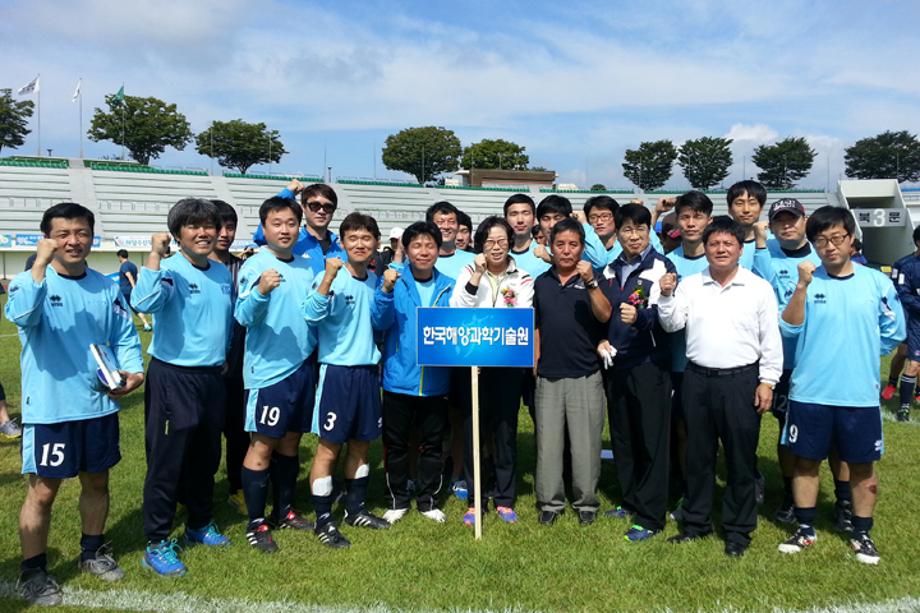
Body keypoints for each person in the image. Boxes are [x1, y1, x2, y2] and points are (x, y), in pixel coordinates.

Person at [6, 202, 145, 606]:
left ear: (91, 236)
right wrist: (38, 267)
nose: (73, 240)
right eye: (63, 234)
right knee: (43, 492)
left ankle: (93, 552)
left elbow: (124, 336)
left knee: (97, 481)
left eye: (81, 232)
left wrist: (133, 372)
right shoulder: (31, 282)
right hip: (50, 408)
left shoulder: (105, 286)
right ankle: (33, 570)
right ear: (48, 238)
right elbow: (21, 316)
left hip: (98, 404)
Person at [777, 206, 905, 565]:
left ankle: (862, 533)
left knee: (862, 466)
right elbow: (788, 329)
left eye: (837, 238)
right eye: (821, 239)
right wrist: (802, 287)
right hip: (810, 391)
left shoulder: (876, 282)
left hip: (858, 394)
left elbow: (895, 331)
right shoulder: (808, 278)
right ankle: (805, 528)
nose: (829, 246)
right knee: (806, 462)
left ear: (851, 240)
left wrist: (862, 351)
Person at [659, 216, 782, 558]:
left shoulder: (757, 287)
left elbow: (770, 339)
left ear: (740, 249)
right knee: (698, 456)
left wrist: (767, 381)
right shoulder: (690, 284)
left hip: (741, 381)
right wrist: (666, 295)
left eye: (728, 244)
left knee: (741, 458)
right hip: (697, 379)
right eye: (714, 244)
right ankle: (696, 523)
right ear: (706, 248)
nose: (721, 249)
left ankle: (738, 530)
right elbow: (671, 324)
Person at [132, 199, 233, 577]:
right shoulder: (170, 270)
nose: (204, 232)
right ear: (178, 235)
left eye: (209, 225)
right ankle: (157, 541)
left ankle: (199, 524)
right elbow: (142, 302)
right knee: (167, 460)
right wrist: (155, 257)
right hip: (174, 377)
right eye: (193, 227)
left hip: (211, 378)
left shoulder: (221, 273)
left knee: (207, 455)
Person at [303, 212, 393, 548]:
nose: (359, 244)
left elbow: (381, 324)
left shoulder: (374, 281)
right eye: (352, 238)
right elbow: (310, 316)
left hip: (368, 374)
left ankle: (355, 508)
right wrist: (326, 280)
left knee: (361, 444)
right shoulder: (330, 275)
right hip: (337, 373)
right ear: (341, 242)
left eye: (366, 238)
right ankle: (323, 519)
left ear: (375, 244)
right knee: (329, 447)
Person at [234, 197, 317, 553]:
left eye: (290, 223)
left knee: (291, 443)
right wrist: (261, 291)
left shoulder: (307, 266)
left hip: (302, 367)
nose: (284, 230)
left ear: (300, 227)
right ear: (264, 228)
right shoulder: (256, 265)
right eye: (276, 223)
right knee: (262, 444)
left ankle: (285, 509)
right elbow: (242, 316)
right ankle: (256, 522)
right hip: (268, 372)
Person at [752, 198, 836, 525]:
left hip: (813, 362)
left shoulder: (822, 257)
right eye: (780, 221)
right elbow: (764, 285)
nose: (787, 225)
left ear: (805, 220)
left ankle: (829, 497)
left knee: (804, 432)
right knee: (781, 429)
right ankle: (787, 491)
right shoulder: (764, 251)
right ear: (771, 225)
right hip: (774, 361)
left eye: (793, 219)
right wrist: (760, 245)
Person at [597, 204, 675, 541]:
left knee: (651, 440)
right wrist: (600, 339)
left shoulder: (661, 268)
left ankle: (652, 514)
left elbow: (664, 316)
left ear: (649, 231)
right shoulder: (610, 269)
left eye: (640, 229)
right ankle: (629, 500)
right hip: (616, 366)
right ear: (617, 231)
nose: (633, 235)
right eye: (627, 229)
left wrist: (640, 320)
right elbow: (601, 314)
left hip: (648, 365)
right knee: (623, 437)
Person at [450, 216, 534, 526]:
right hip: (475, 364)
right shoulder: (468, 271)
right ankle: (475, 500)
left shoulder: (523, 277)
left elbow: (522, 315)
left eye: (501, 241)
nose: (496, 247)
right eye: (489, 242)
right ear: (480, 246)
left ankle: (504, 497)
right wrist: (477, 276)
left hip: (508, 365)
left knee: (504, 431)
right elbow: (458, 309)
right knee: (475, 431)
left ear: (510, 243)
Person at [375, 221, 455, 525]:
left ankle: (427, 500)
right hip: (398, 379)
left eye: (429, 245)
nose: (423, 251)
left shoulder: (449, 284)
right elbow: (379, 323)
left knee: (432, 445)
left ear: (438, 249)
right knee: (395, 445)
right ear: (405, 250)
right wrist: (385, 290)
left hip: (436, 382)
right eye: (417, 245)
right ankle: (397, 498)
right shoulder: (394, 282)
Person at [533, 218, 610, 526]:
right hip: (548, 374)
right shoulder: (541, 282)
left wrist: (590, 282)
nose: (566, 251)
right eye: (560, 244)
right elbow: (535, 324)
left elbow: (605, 314)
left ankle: (586, 501)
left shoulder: (595, 277)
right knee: (548, 444)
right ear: (551, 247)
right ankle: (550, 502)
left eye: (573, 245)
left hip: (585, 374)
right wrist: (535, 360)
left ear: (582, 247)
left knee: (586, 443)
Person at [664, 191, 714, 519]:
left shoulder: (721, 258)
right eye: (686, 217)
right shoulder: (666, 261)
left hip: (710, 364)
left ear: (709, 220)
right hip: (671, 363)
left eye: (698, 216)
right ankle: (683, 487)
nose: (692, 223)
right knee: (679, 430)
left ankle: (709, 488)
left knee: (706, 431)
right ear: (677, 222)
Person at [209, 200, 248, 515]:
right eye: (217, 226)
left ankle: (238, 487)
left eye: (230, 226)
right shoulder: (187, 267)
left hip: (239, 368)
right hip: (202, 371)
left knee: (238, 433)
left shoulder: (244, 268)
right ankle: (198, 491)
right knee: (203, 436)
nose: (224, 233)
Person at [252, 180, 347, 276]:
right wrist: (288, 193)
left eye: (328, 207)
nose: (321, 211)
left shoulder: (341, 250)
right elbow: (261, 236)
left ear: (334, 210)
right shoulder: (291, 241)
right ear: (303, 208)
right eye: (315, 205)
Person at [891, 226, 920, 422]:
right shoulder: (905, 265)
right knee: (909, 358)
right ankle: (903, 403)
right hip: (912, 319)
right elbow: (902, 294)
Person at [427, 201, 475, 281]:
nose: (446, 227)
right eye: (440, 222)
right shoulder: (421, 259)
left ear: (458, 226)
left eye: (451, 222)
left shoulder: (473, 260)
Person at [505, 193, 550, 278]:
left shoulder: (548, 255)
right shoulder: (498, 255)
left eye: (525, 213)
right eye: (514, 214)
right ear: (505, 219)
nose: (520, 220)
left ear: (534, 219)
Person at [727, 180, 767, 269]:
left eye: (752, 203)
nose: (746, 210)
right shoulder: (720, 244)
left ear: (761, 208)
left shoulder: (773, 242)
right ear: (729, 209)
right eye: (739, 203)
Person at [116, 250, 152, 331]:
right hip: (130, 290)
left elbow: (129, 276)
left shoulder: (124, 266)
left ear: (120, 257)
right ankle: (146, 324)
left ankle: (125, 327)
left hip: (126, 291)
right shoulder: (133, 265)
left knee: (120, 309)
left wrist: (134, 287)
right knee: (134, 308)